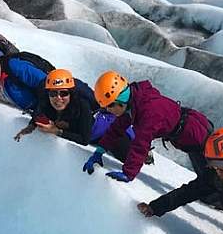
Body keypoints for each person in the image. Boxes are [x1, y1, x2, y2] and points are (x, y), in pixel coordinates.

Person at [82, 70, 212, 184]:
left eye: (110, 106)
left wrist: (128, 173)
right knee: (208, 179)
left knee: (211, 180)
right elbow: (115, 129)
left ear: (120, 100)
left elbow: (141, 144)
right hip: (185, 133)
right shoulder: (133, 104)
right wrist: (99, 152)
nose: (108, 110)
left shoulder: (148, 112)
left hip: (195, 133)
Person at [13, 68, 140, 163]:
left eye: (63, 93)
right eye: (53, 93)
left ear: (71, 94)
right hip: (96, 134)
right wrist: (29, 127)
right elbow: (38, 113)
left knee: (129, 156)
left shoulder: (82, 106)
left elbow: (84, 139)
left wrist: (57, 131)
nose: (58, 98)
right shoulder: (46, 102)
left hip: (109, 130)